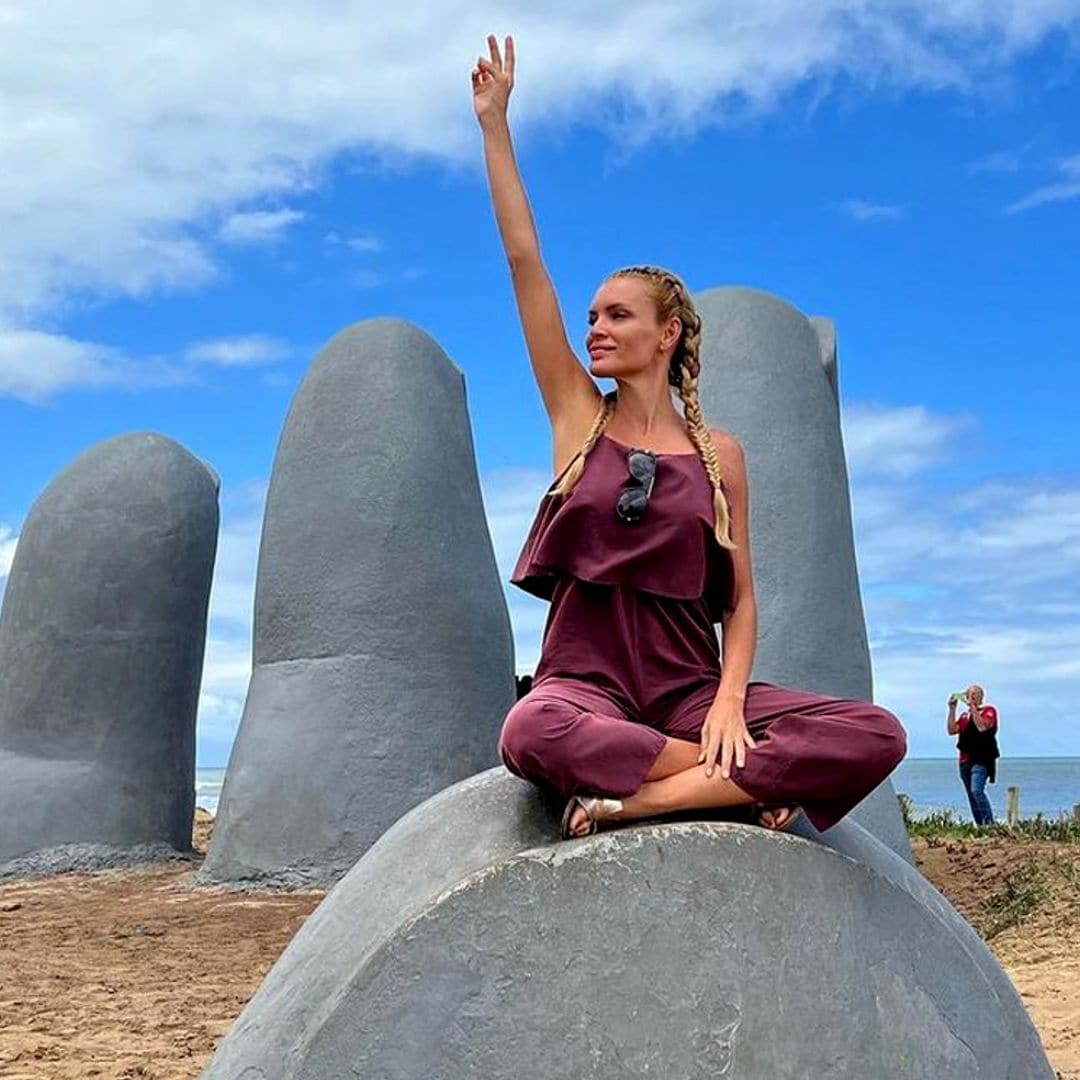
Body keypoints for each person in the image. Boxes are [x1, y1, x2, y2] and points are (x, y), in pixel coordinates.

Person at [472, 34, 907, 840]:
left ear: (667, 333)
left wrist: (733, 705)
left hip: (692, 692)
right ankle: (725, 785)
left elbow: (739, 603)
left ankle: (648, 797)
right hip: (584, 687)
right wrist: (495, 125)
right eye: (593, 315)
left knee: (877, 734)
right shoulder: (577, 416)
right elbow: (523, 259)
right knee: (528, 731)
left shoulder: (722, 457)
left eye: (617, 316)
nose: (595, 328)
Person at [947, 685, 999, 825]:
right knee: (971, 795)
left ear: (982, 697)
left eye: (976, 694)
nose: (973, 696)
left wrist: (973, 708)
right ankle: (980, 825)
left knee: (977, 790)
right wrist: (952, 709)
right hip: (965, 760)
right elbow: (952, 730)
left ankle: (989, 824)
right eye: (970, 694)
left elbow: (981, 727)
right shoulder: (964, 716)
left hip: (982, 758)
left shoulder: (989, 711)